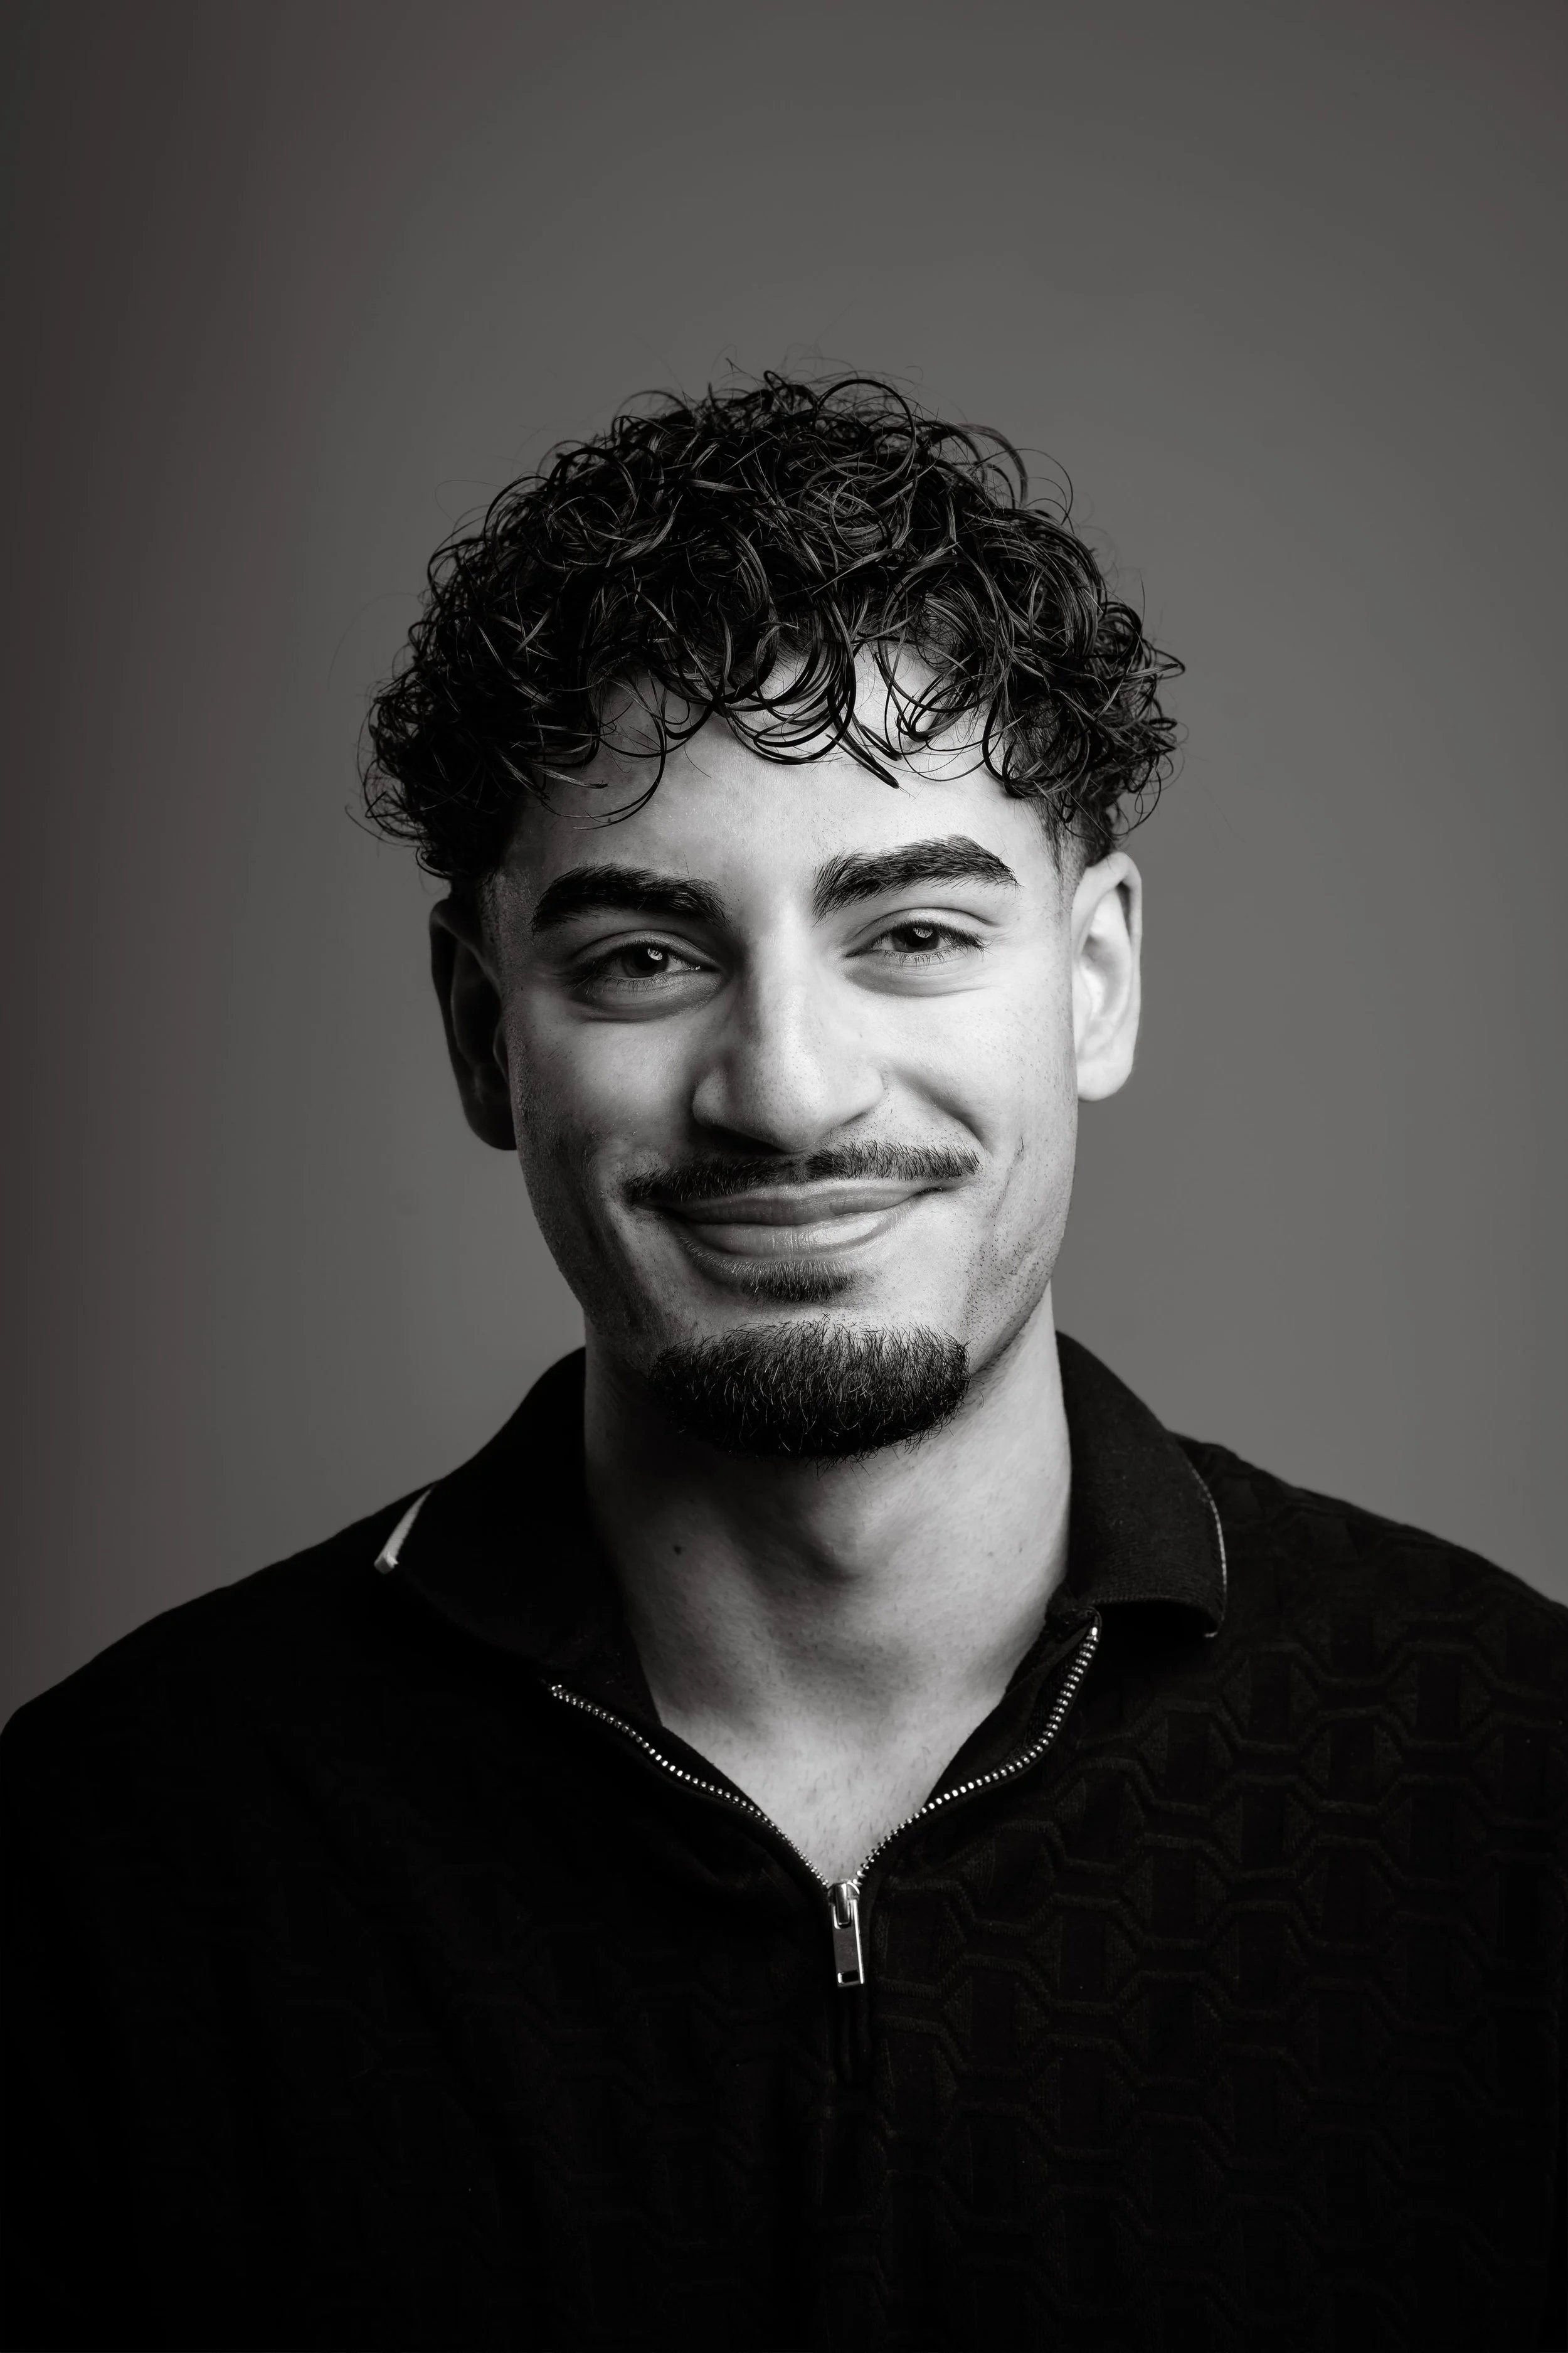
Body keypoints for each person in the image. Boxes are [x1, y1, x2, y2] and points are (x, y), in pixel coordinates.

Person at [3, 376, 1563, 2353]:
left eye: (910, 933)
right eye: (645, 958)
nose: (788, 1090)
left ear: (1094, 980)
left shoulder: (1510, 1784)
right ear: (483, 1032)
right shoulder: (112, 1859)